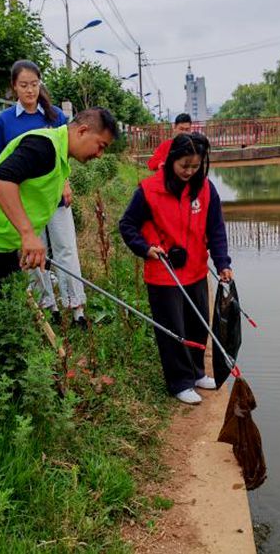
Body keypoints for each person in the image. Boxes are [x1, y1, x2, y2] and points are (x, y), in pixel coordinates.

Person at [0, 107, 117, 327]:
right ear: (82, 131)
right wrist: (28, 235)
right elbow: (1, 180)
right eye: (101, 146)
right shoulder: (44, 146)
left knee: (9, 311)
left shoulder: (60, 157)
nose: (100, 155)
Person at [120, 133, 232, 405]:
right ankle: (180, 382)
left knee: (197, 325)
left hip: (195, 270)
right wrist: (145, 248)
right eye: (184, 165)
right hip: (164, 273)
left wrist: (223, 263)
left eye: (195, 166)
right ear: (172, 160)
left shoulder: (205, 189)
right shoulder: (149, 190)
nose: (189, 171)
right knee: (173, 330)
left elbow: (216, 229)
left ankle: (197, 372)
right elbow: (127, 225)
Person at [0, 60, 88, 328]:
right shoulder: (5, 120)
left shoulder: (55, 116)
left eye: (34, 84)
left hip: (55, 195)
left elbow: (66, 152)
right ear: (14, 87)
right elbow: (1, 159)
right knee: (36, 254)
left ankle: (76, 307)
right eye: (24, 85)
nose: (30, 90)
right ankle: (48, 305)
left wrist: (65, 183)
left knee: (66, 249)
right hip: (26, 200)